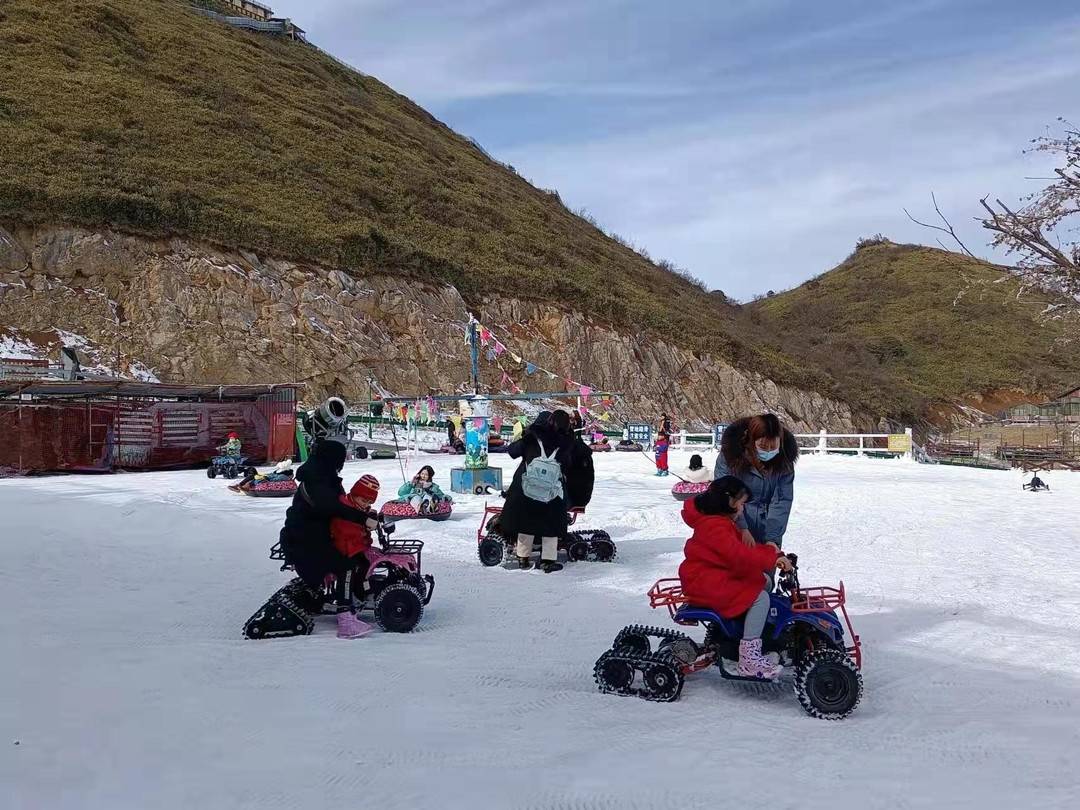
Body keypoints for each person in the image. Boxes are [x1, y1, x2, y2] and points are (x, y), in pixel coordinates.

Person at [679, 476, 793, 679]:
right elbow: (739, 555)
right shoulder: (715, 527)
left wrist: (774, 554)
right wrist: (771, 558)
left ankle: (740, 632)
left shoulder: (718, 522)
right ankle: (749, 658)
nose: (742, 510)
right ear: (730, 501)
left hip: (712, 575)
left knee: (763, 582)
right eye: (741, 504)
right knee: (760, 598)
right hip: (706, 582)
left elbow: (742, 550)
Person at [279, 441, 380, 639]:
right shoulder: (318, 479)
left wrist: (366, 513)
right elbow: (333, 507)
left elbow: (343, 504)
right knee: (346, 565)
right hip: (306, 540)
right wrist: (362, 519)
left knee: (359, 558)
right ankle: (345, 620)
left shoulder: (323, 475)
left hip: (318, 535)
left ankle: (360, 595)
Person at [501, 410, 575, 572]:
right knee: (552, 524)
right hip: (550, 492)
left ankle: (523, 558)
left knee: (525, 522)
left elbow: (513, 451)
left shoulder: (532, 436)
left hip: (527, 488)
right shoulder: (566, 442)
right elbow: (568, 465)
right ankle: (547, 561)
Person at [713, 414, 799, 549]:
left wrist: (773, 539)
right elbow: (723, 494)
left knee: (765, 565)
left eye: (773, 446)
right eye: (763, 446)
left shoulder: (784, 462)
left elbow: (781, 501)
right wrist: (742, 528)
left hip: (767, 526)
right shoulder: (730, 457)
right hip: (734, 523)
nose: (769, 451)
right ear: (751, 441)